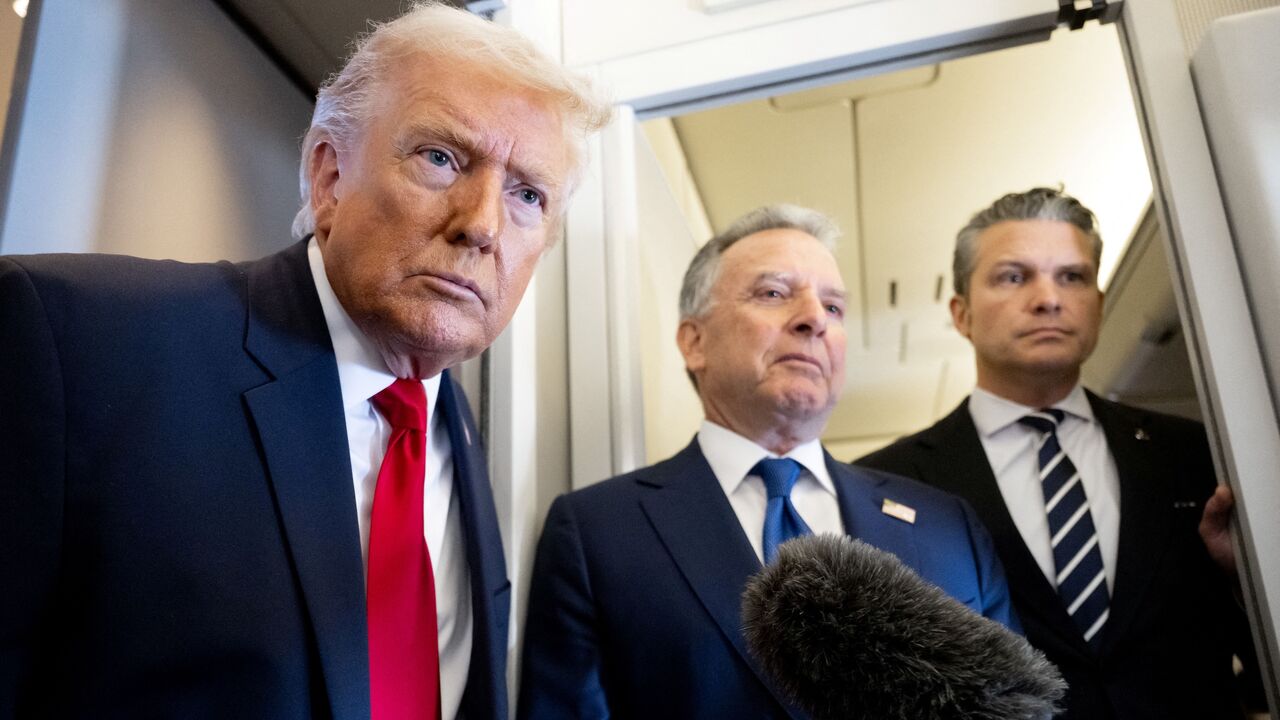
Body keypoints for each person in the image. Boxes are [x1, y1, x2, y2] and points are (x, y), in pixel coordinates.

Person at [0, 4, 610, 718]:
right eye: (441, 158)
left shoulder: (453, 424)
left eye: (527, 194)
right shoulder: (74, 340)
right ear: (328, 177)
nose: (481, 223)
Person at [518, 204, 1017, 719]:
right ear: (694, 341)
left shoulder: (947, 525)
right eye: (774, 293)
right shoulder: (597, 530)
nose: (813, 320)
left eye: (834, 307)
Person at [857, 187, 1256, 719]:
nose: (1048, 298)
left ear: (1099, 303)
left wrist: (1245, 583)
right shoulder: (887, 486)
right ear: (962, 314)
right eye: (1013, 277)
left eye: (1072, 276)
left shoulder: (1196, 454)